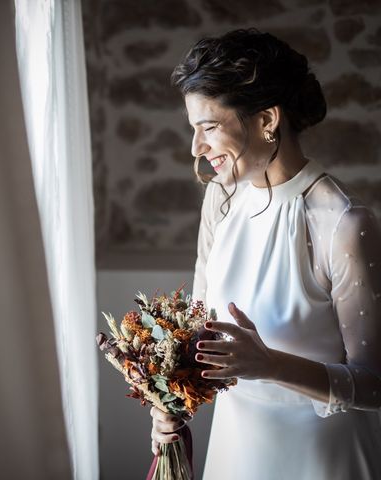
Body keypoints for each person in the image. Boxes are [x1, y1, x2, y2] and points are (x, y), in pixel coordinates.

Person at [150, 29, 381, 479]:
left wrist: (270, 365)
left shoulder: (343, 223)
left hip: (322, 460)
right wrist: (169, 401)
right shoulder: (221, 200)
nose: (196, 148)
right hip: (236, 451)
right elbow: (195, 333)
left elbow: (374, 384)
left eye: (209, 126)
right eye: (193, 129)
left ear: (267, 120)